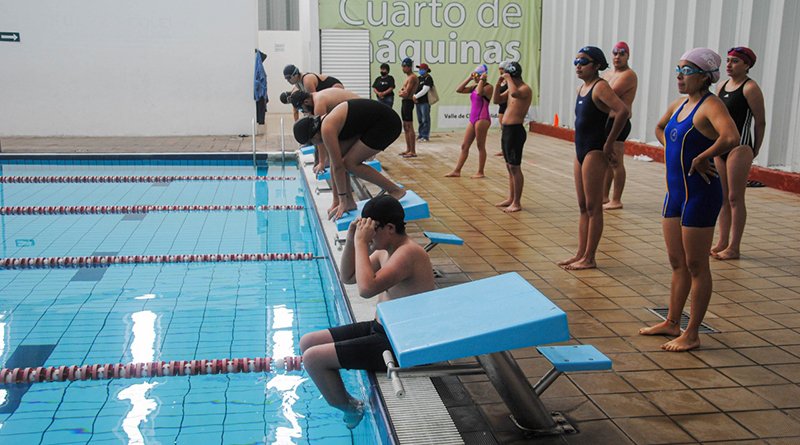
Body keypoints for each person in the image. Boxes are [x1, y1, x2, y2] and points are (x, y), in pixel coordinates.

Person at [299, 195, 435, 428]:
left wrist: (362, 244)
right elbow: (348, 277)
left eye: (373, 230)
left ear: (390, 228)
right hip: (381, 330)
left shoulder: (408, 253)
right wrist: (353, 239)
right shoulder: (386, 250)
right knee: (308, 341)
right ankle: (347, 401)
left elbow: (366, 289)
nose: (369, 236)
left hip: (398, 344)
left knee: (313, 359)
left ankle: (350, 407)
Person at [640, 48, 739, 352]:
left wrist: (702, 157)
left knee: (697, 265)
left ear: (705, 76)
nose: (680, 76)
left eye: (687, 71)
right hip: (675, 195)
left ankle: (692, 332)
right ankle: (671, 321)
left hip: (701, 194)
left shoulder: (711, 106)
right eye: (678, 70)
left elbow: (731, 136)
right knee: (676, 262)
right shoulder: (679, 105)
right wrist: (674, 152)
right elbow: (661, 128)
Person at [558, 46, 630, 270]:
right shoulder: (582, 88)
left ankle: (590, 258)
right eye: (576, 61)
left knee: (593, 206)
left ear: (597, 65)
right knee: (582, 206)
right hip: (580, 150)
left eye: (584, 62)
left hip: (595, 150)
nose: (578, 66)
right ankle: (580, 253)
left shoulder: (600, 87)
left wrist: (609, 143)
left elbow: (622, 111)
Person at [292, 99, 405, 220]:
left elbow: (338, 167)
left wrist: (341, 199)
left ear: (313, 135)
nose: (315, 145)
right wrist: (338, 201)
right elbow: (335, 164)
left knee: (351, 164)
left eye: (312, 142)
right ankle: (350, 202)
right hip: (375, 123)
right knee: (343, 160)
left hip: (387, 123)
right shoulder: (325, 123)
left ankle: (395, 190)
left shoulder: (327, 129)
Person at [711, 46, 766, 260]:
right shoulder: (723, 85)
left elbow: (760, 121)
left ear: (747, 65)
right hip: (722, 146)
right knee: (723, 198)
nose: (729, 65)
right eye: (728, 60)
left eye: (735, 61)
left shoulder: (750, 88)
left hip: (740, 148)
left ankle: (734, 246)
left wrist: (755, 149)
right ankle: (722, 241)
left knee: (735, 197)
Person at [602, 42, 638, 210]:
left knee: (616, 162)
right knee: (607, 161)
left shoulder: (629, 75)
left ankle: (616, 199)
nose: (617, 56)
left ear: (627, 56)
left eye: (622, 53)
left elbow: (607, 94)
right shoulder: (608, 74)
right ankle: (604, 196)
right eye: (615, 53)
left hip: (619, 122)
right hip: (606, 122)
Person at [290, 88, 360, 176]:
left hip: (359, 114)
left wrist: (322, 162)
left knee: (336, 157)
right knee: (335, 155)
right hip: (354, 111)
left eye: (301, 109)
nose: (303, 112)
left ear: (306, 102)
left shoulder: (319, 104)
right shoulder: (315, 97)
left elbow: (320, 138)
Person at [494, 61, 532, 213]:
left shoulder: (524, 89)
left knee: (515, 167)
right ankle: (511, 198)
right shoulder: (511, 88)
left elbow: (515, 93)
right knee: (509, 166)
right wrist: (498, 83)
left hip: (516, 131)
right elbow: (497, 100)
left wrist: (508, 78)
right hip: (507, 130)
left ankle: (517, 202)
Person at [445, 64, 492, 178]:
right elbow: (459, 89)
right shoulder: (474, 86)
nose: (475, 77)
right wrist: (469, 78)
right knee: (464, 146)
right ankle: (457, 171)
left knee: (480, 146)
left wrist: (482, 80)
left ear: (482, 76)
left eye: (477, 75)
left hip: (482, 119)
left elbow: (480, 92)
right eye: (474, 75)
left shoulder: (489, 87)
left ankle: (480, 172)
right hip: (473, 118)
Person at [397, 58, 420, 158]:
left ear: (409, 66)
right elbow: (402, 91)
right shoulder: (408, 77)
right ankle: (408, 149)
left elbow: (405, 93)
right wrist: (402, 92)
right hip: (405, 102)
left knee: (409, 126)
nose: (403, 68)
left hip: (408, 102)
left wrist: (401, 92)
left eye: (404, 66)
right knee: (405, 126)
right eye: (402, 66)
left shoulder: (412, 78)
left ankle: (413, 151)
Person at [492, 61, 511, 157]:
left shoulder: (510, 81)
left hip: (507, 107)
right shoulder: (502, 81)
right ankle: (504, 149)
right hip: (501, 107)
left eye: (502, 69)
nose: (500, 71)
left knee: (507, 130)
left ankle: (508, 149)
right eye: (499, 69)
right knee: (503, 130)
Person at [413, 63, 434, 142]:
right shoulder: (418, 78)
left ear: (426, 70)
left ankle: (425, 136)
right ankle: (421, 134)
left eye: (421, 69)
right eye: (419, 69)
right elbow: (415, 89)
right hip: (418, 102)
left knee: (425, 119)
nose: (420, 70)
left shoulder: (428, 78)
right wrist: (414, 96)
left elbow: (425, 90)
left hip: (425, 102)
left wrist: (415, 96)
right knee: (420, 119)